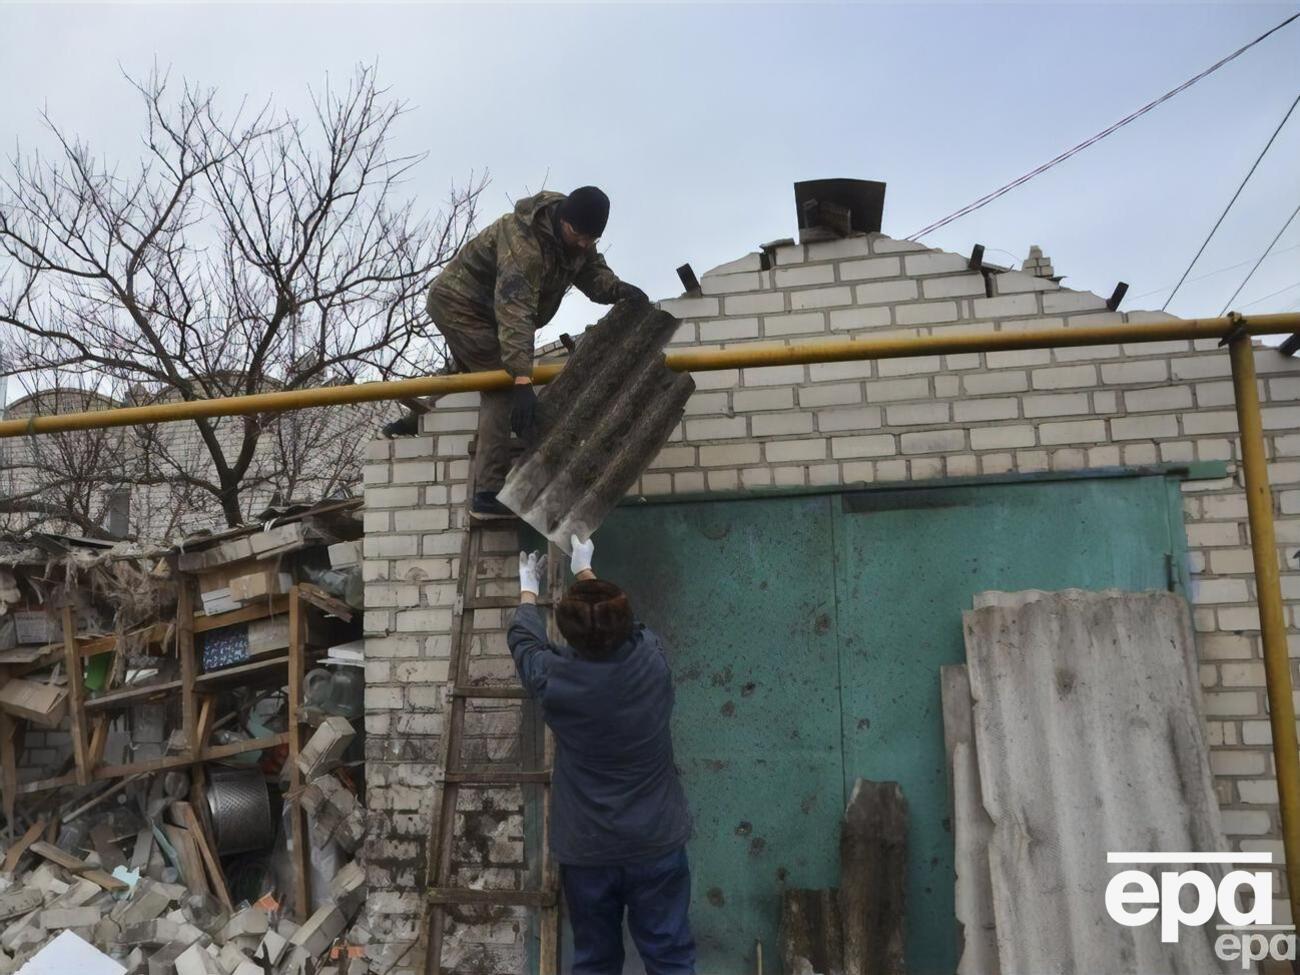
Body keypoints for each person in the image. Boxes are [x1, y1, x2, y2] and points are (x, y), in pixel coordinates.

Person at [387, 186, 648, 521]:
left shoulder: (577, 240)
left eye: (591, 239)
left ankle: (413, 421)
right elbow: (516, 313)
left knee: (473, 369)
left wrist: (620, 290)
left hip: (492, 313)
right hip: (460, 304)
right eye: (578, 235)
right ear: (562, 219)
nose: (583, 243)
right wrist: (522, 380)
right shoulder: (523, 245)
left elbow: (594, 276)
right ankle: (488, 493)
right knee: (499, 384)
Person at [508, 535, 695, 975]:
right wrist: (586, 572)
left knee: (595, 962)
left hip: (589, 849)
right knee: (669, 957)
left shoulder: (555, 679)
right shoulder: (651, 661)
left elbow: (524, 644)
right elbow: (629, 625)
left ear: (568, 633)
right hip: (655, 841)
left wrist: (527, 594)